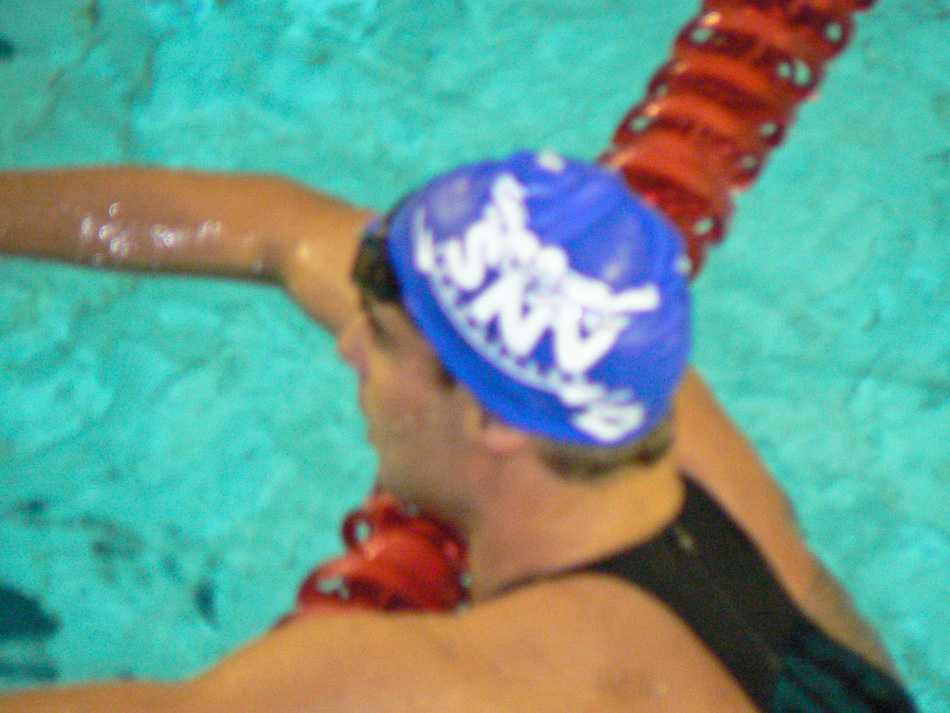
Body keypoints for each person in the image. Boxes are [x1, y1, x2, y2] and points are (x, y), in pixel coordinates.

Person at [0, 151, 917, 712]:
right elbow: (282, 229)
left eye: (382, 339)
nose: (348, 348)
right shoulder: (668, 424)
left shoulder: (423, 687)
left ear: (490, 417)